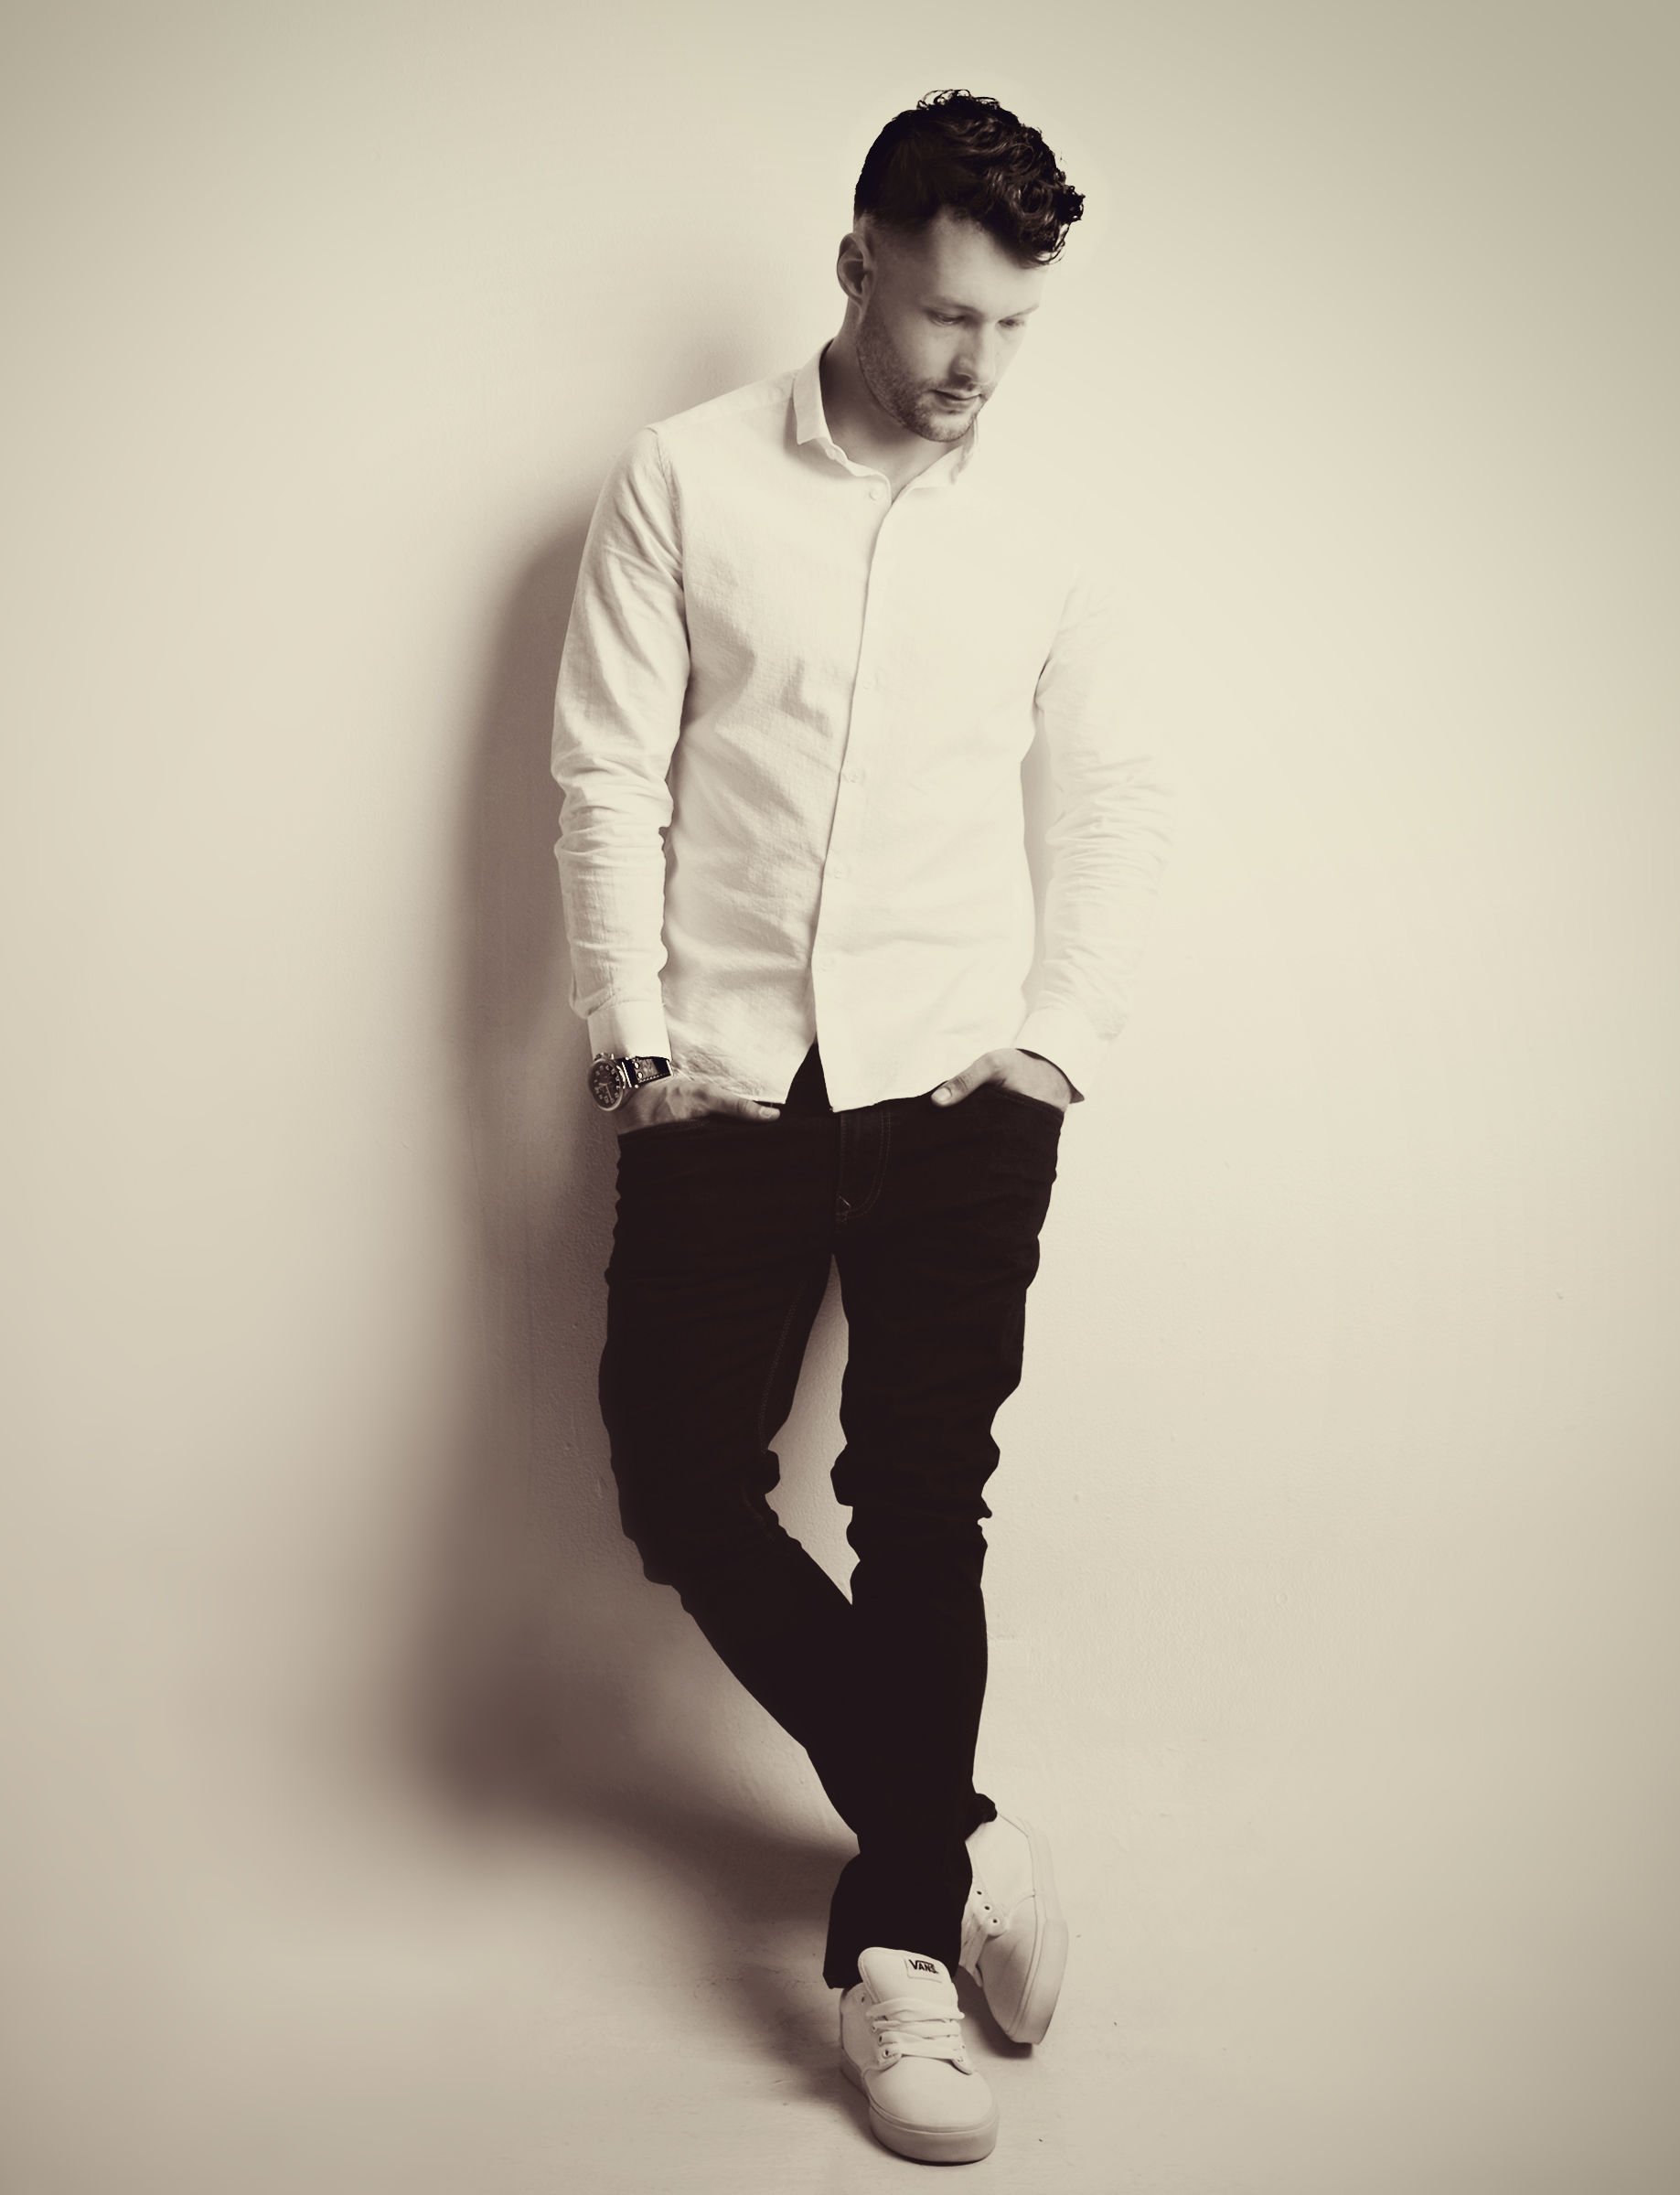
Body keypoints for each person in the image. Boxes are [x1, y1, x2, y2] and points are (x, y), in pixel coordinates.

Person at [547, 90, 1174, 2165]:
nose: (975, 363)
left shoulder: (1046, 538)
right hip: (724, 1073)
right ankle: (959, 1836)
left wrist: (1057, 1043)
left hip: (965, 1087)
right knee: (679, 1484)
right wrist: (631, 1048)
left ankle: (891, 1950)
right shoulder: (685, 479)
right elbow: (609, 776)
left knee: (922, 1503)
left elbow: (1107, 805)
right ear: (856, 268)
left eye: (1011, 327)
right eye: (941, 315)